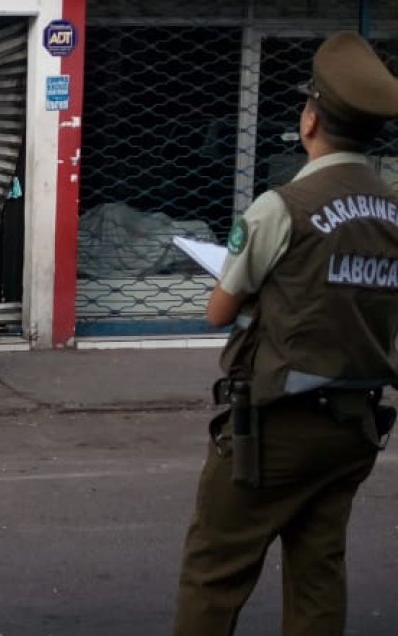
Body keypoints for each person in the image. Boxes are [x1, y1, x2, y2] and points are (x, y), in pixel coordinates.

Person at [172, 32, 398, 635]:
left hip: (277, 425)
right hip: (355, 423)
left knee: (214, 569)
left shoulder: (284, 206)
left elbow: (219, 312)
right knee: (319, 570)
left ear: (310, 119)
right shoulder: (393, 213)